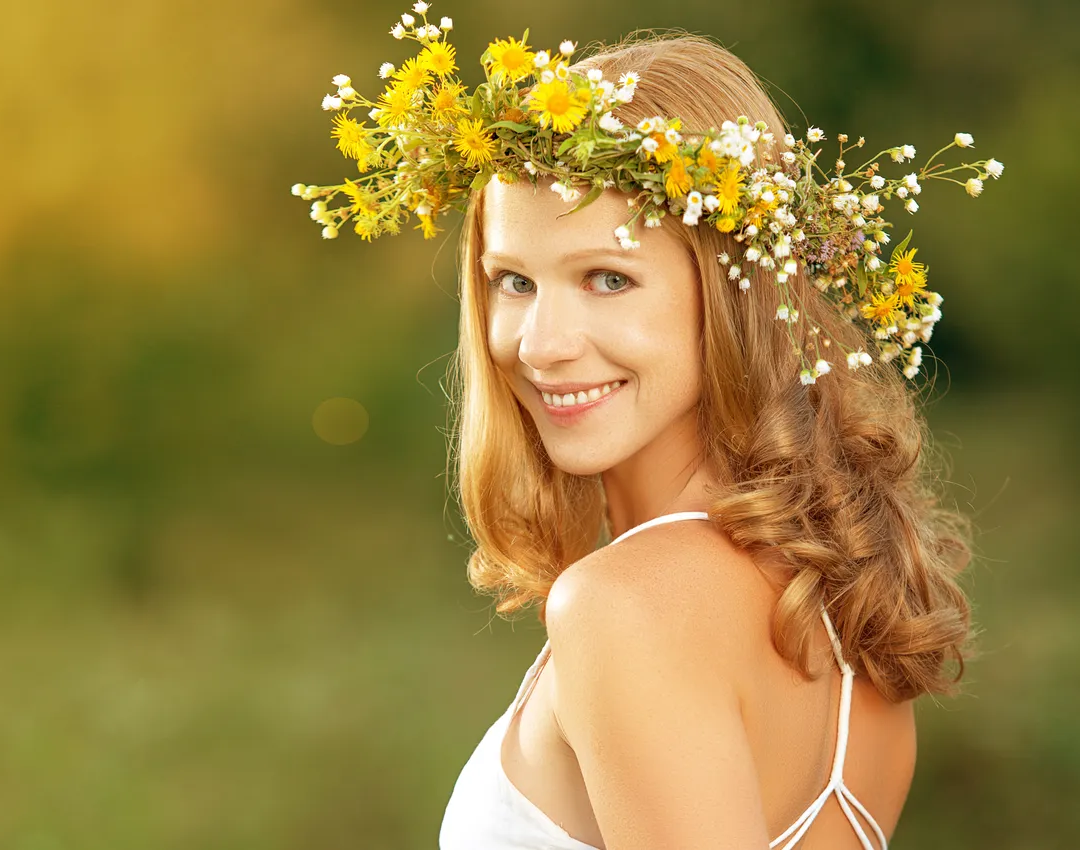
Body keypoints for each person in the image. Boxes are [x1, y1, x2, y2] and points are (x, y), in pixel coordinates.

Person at [293, 8, 996, 848]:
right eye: (513, 281)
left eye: (608, 279)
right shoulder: (840, 607)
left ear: (731, 294)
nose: (542, 345)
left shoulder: (623, 608)